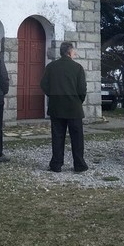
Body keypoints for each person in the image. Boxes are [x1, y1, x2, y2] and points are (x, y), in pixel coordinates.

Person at [40, 41, 88, 173]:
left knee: (57, 136)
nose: (75, 53)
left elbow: (44, 85)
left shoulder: (51, 67)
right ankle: (79, 164)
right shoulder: (77, 67)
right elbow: (82, 89)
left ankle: (56, 164)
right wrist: (78, 100)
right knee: (77, 138)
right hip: (74, 107)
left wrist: (53, 95)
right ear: (69, 52)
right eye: (74, 51)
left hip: (57, 106)